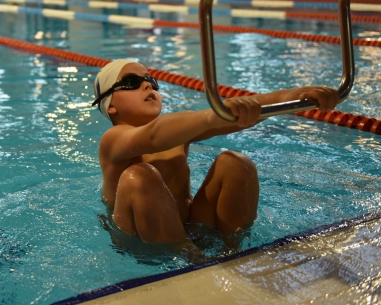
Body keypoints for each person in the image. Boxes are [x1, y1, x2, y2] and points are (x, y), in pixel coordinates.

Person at [92, 59, 340, 247]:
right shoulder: (113, 139)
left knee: (235, 163)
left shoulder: (175, 131)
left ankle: (232, 252)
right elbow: (154, 135)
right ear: (110, 105)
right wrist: (212, 115)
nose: (147, 84)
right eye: (132, 83)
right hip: (139, 241)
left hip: (190, 227)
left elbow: (235, 119)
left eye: (150, 81)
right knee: (139, 176)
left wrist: (289, 98)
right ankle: (189, 259)